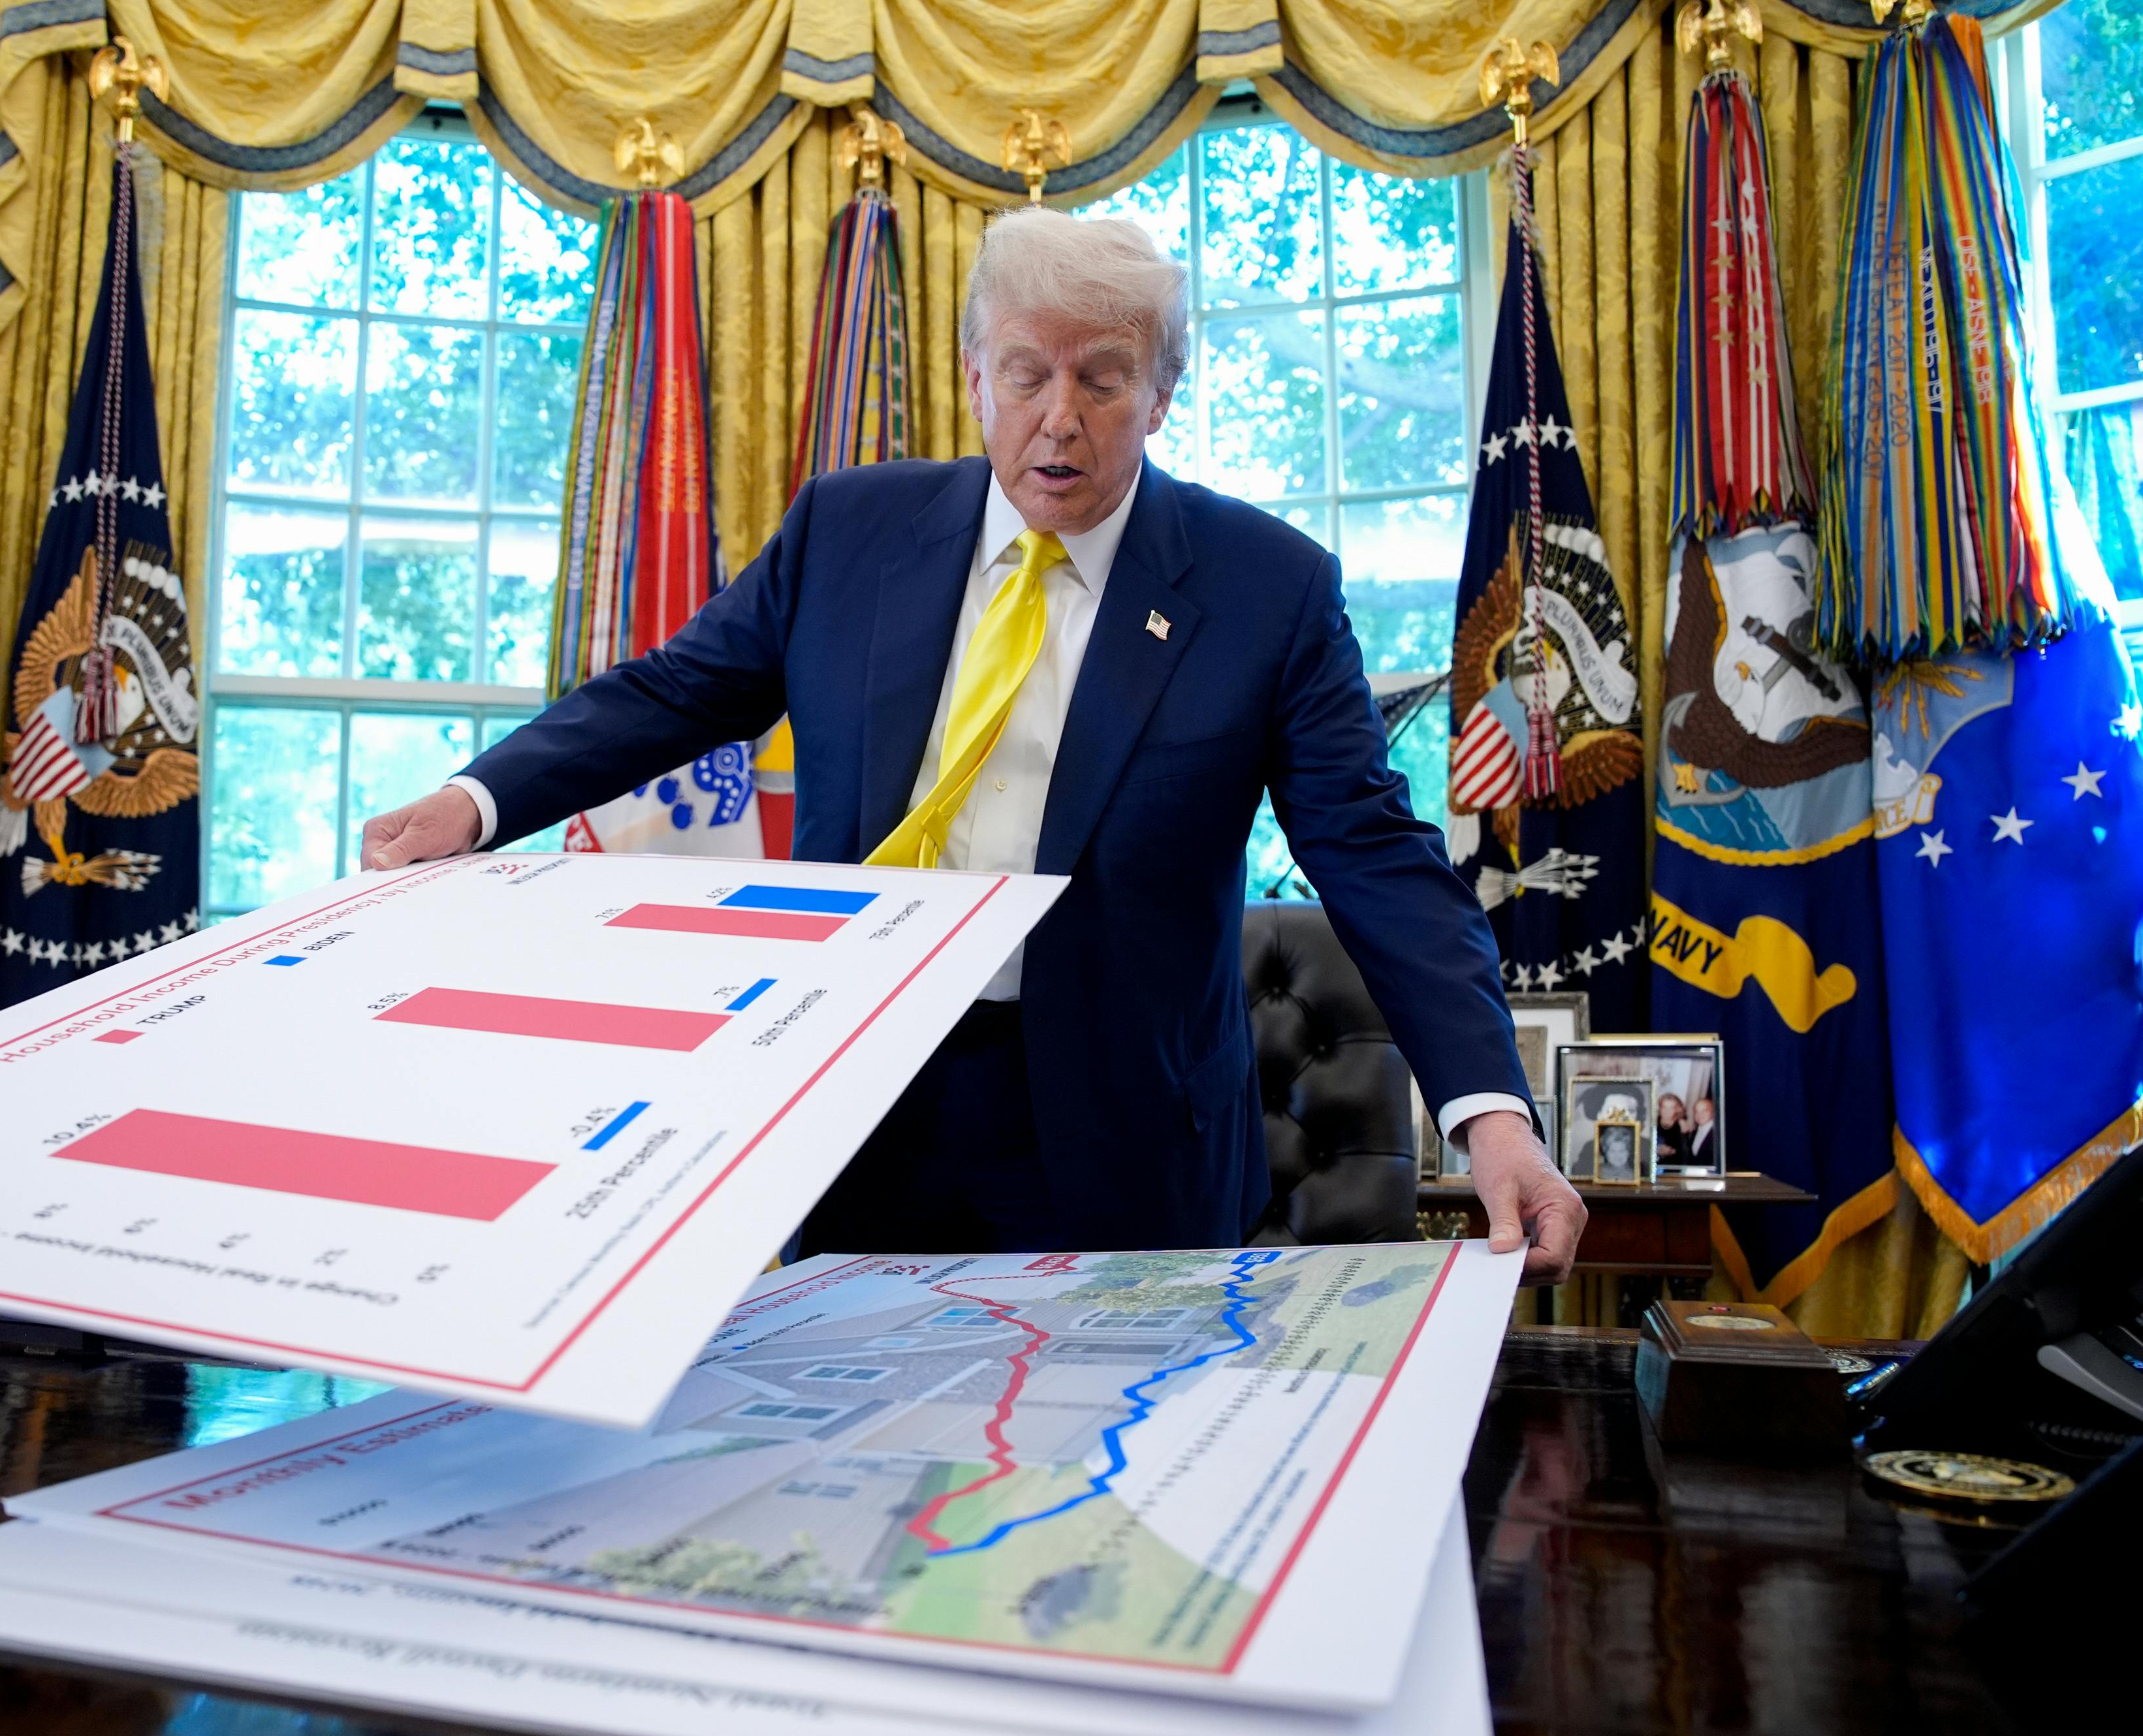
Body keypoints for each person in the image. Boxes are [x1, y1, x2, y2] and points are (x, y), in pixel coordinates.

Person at [360, 208, 1585, 1282]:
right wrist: (477, 800)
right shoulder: (850, 531)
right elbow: (676, 692)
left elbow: (1372, 849)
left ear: (1163, 395)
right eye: (1025, 374)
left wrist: (1491, 1116)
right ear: (971, 375)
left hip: (1124, 1134)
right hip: (859, 1100)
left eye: (1104, 380)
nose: (1060, 421)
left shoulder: (1267, 589)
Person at [1655, 1093, 1692, 1169]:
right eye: (1664, 1107)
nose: (1667, 1111)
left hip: (1672, 1168)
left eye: (1671, 1108)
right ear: (1660, 1108)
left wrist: (1671, 1152)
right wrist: (1656, 1150)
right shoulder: (1653, 1123)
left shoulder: (1681, 1127)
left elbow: (1685, 1155)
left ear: (1677, 1110)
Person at [1686, 1092, 1720, 1172]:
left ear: (1713, 1112)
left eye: (1704, 1111)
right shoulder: (1694, 1132)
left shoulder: (1718, 1135)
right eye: (1696, 1112)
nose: (1700, 1115)